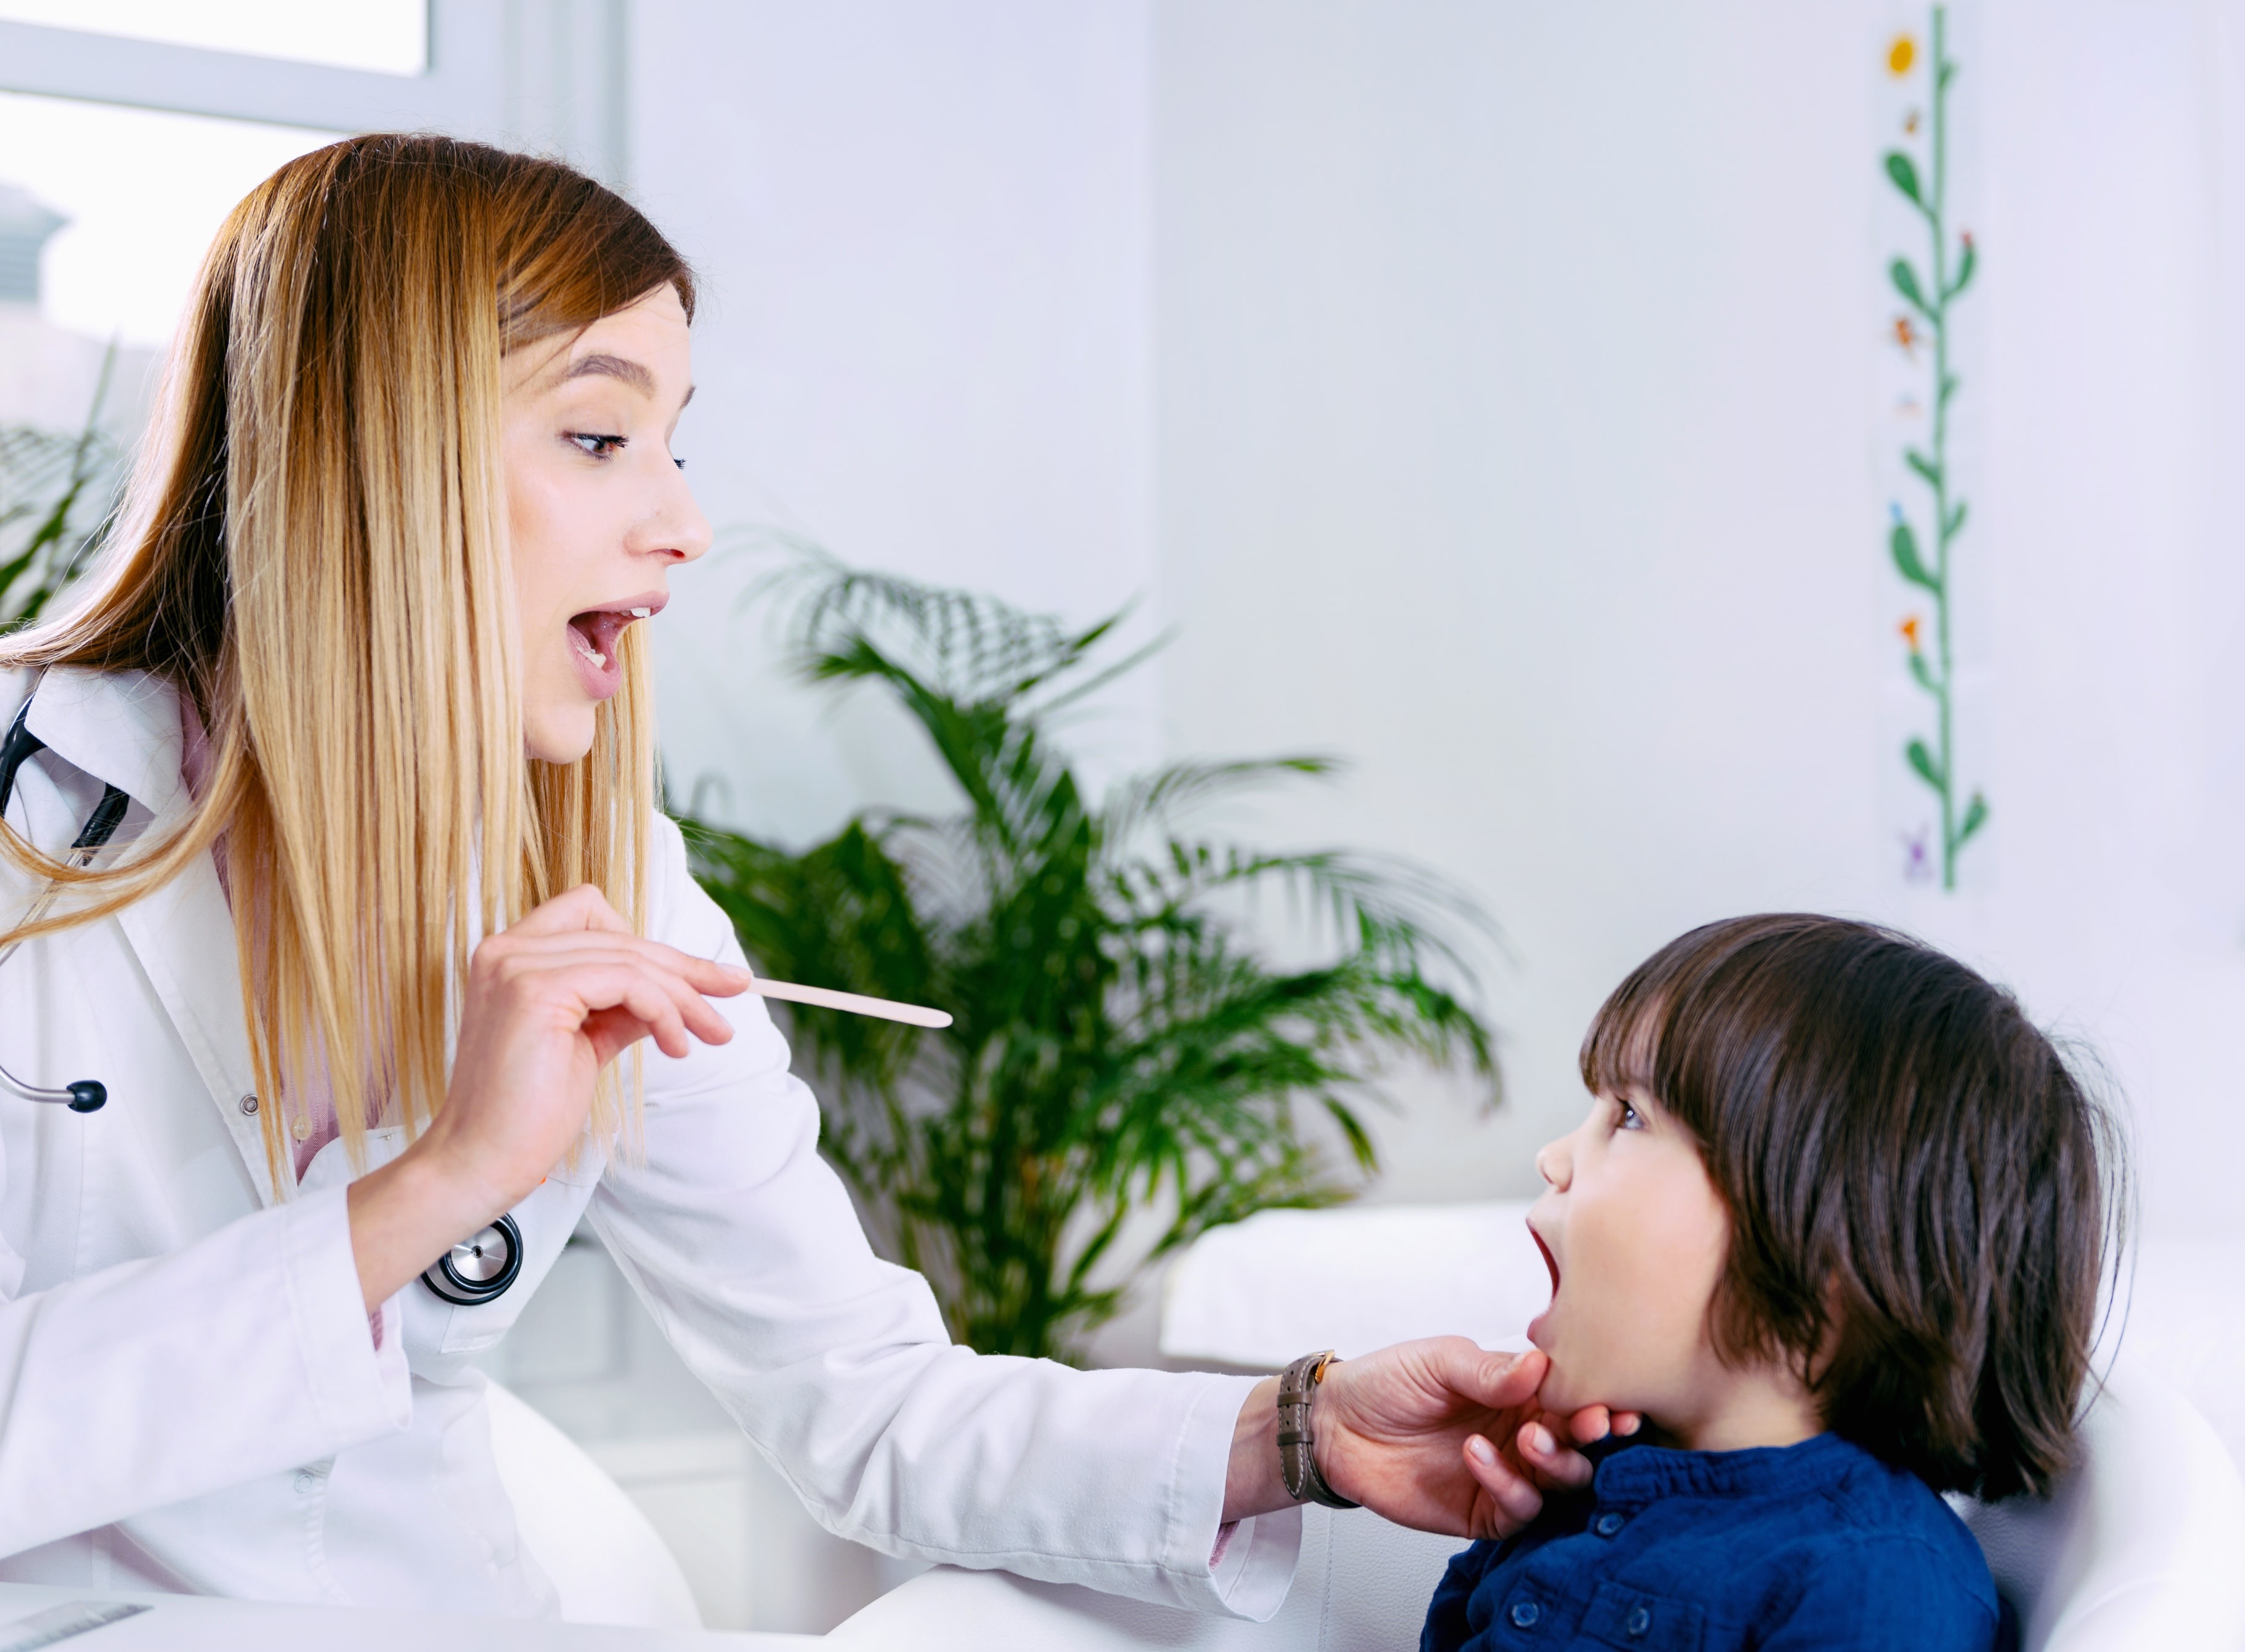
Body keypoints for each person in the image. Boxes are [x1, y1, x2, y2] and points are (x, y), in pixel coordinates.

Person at [0, 134, 1622, 1621]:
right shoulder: (29, 800)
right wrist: (433, 1183)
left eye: (673, 444)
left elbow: (866, 1399)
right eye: (597, 434)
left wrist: (1302, 1428)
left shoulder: (604, 889)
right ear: (382, 456)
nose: (684, 525)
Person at [1421, 913, 2117, 1652]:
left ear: (1827, 1260)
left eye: (1626, 1116)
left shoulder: (1876, 1586)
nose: (1552, 1157)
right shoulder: (1571, 1483)